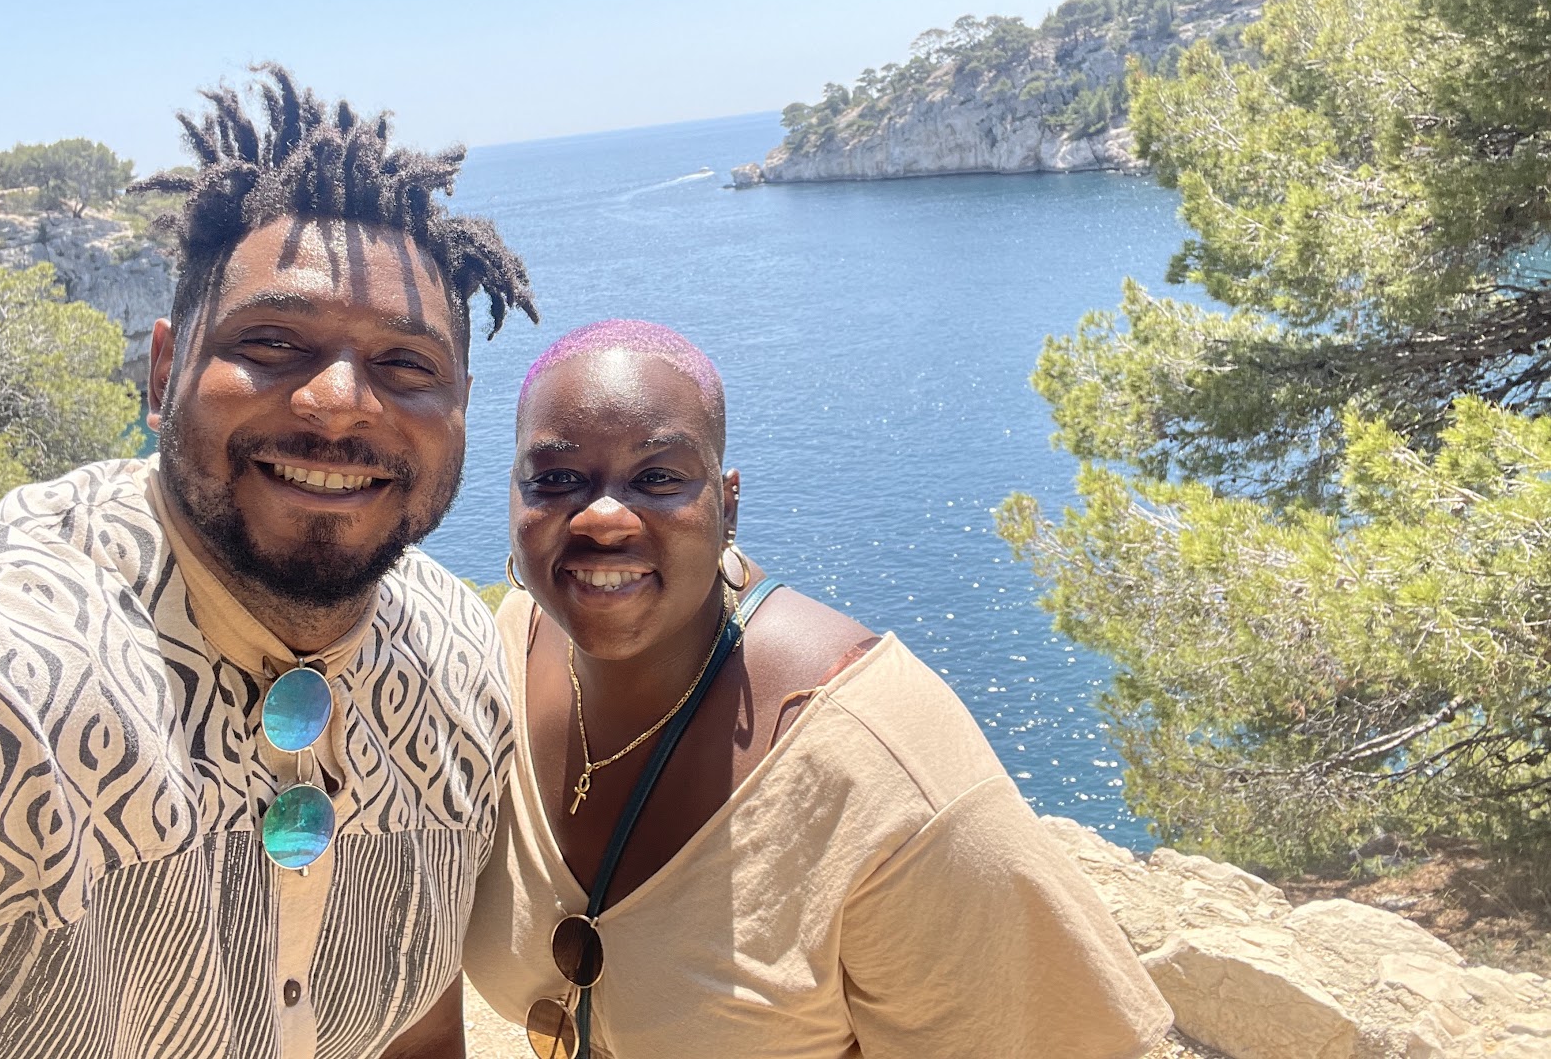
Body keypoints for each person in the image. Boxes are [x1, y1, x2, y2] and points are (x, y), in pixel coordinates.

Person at [0, 65, 538, 1059]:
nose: (342, 400)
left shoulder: (459, 662)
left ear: (461, 403)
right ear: (165, 367)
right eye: (272, 341)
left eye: (407, 366)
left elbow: (412, 1018)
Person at [463, 320, 1173, 1058]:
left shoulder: (881, 765)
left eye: (659, 478)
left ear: (727, 505)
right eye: (556, 480)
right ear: (515, 499)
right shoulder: (509, 649)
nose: (603, 517)